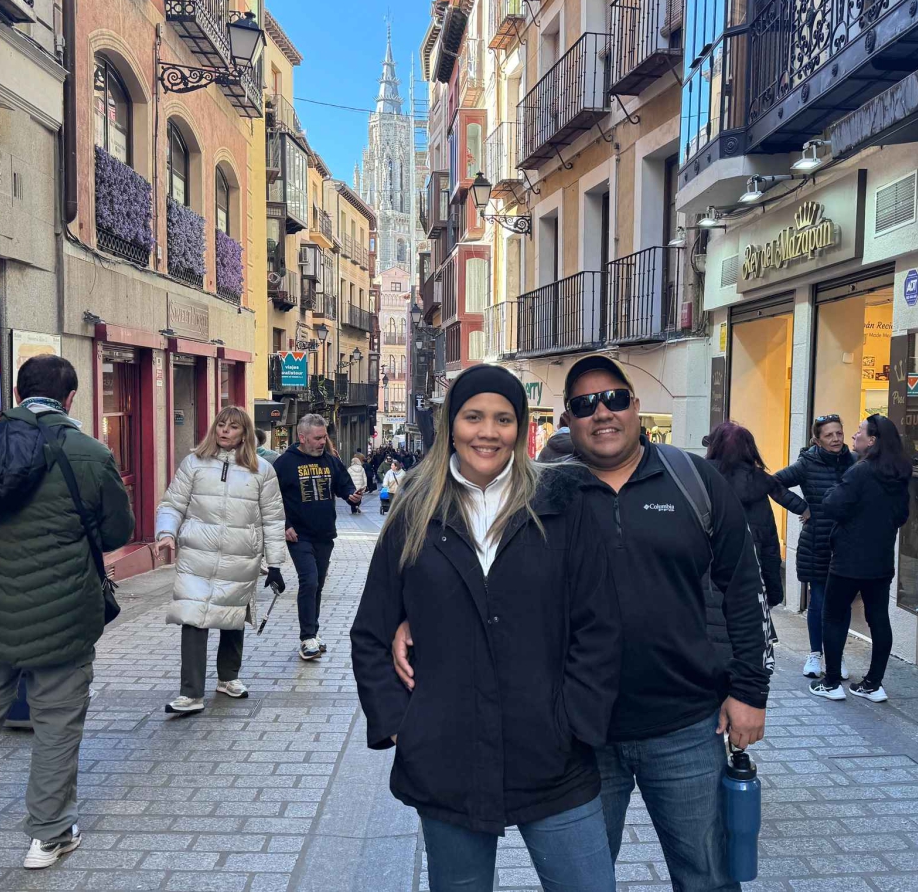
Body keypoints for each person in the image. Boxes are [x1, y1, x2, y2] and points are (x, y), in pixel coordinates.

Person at [398, 356, 768, 891]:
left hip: (685, 724)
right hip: (582, 736)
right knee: (586, 880)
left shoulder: (692, 480)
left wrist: (749, 691)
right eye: (584, 404)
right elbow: (473, 573)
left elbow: (744, 589)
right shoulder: (540, 494)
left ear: (635, 407)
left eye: (614, 398)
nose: (602, 413)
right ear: (568, 419)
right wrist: (412, 620)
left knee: (707, 878)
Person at [351, 365, 621, 892]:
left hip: (554, 757)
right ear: (451, 425)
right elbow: (371, 632)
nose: (488, 432)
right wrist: (406, 726)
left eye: (503, 419)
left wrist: (576, 723)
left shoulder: (561, 502)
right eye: (473, 417)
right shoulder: (414, 508)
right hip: (448, 758)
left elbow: (599, 625)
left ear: (519, 428)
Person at [0, 355, 133, 870]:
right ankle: (48, 835)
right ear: (71, 398)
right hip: (63, 619)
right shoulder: (90, 453)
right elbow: (117, 532)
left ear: (16, 393)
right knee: (57, 726)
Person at [157, 406, 289, 716]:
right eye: (220, 425)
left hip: (241, 555)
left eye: (232, 427)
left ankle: (228, 677)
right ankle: (190, 694)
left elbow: (273, 519)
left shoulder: (262, 471)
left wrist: (276, 564)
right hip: (197, 554)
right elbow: (173, 503)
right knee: (193, 618)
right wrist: (167, 532)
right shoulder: (194, 463)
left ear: (245, 434)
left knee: (232, 617)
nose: (224, 431)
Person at [810, 414, 912, 703]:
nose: (854, 436)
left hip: (848, 559)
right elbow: (902, 516)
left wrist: (837, 494)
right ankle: (873, 684)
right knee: (878, 618)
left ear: (872, 440)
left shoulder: (860, 471)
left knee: (833, 615)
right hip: (880, 560)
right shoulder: (899, 473)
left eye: (859, 431)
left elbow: (832, 504)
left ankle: (831, 682)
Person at [274, 414, 363, 660]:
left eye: (324, 436)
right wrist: (284, 525)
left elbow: (343, 485)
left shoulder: (330, 460)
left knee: (318, 585)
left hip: (325, 534)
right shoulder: (284, 463)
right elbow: (271, 499)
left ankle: (313, 631)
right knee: (309, 581)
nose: (323, 441)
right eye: (317, 438)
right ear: (302, 437)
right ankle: (307, 638)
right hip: (298, 536)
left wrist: (352, 496)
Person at [774, 414, 856, 679]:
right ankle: (814, 654)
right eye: (829, 435)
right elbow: (773, 483)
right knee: (818, 601)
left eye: (839, 433)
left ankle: (836, 656)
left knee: (841, 604)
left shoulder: (854, 462)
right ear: (817, 440)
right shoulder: (807, 463)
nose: (836, 439)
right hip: (817, 542)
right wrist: (802, 507)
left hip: (846, 544)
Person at [705, 421, 807, 609]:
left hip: (708, 579)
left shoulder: (701, 476)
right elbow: (770, 549)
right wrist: (773, 592)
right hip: (750, 579)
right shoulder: (760, 483)